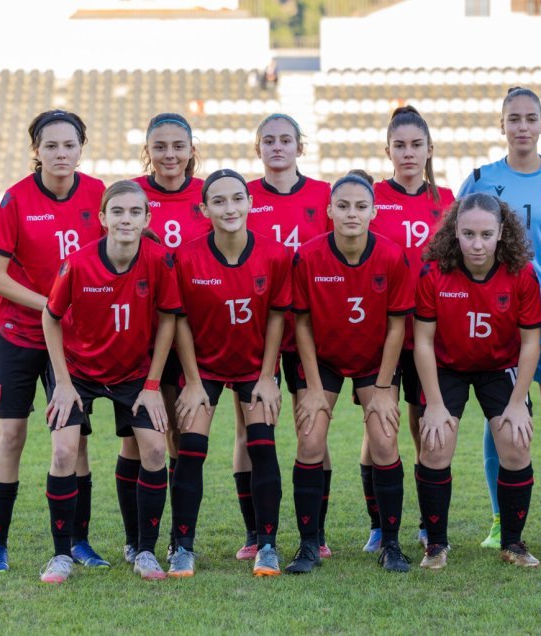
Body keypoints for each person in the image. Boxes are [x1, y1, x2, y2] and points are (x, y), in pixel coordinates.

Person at [457, 87, 541, 550]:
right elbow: (453, 242)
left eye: (529, 118)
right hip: (500, 319)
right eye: (513, 118)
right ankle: (501, 520)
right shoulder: (480, 179)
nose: (521, 126)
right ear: (502, 125)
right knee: (501, 418)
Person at [39, 180, 181, 583]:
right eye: (117, 211)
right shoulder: (78, 262)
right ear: (102, 218)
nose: (126, 219)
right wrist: (63, 384)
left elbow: (169, 318)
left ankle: (145, 551)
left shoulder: (158, 261)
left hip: (133, 373)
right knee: (64, 453)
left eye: (135, 212)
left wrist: (152, 385)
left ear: (147, 219)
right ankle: (62, 555)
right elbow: (51, 317)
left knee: (154, 450)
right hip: (77, 371)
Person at [0, 109, 107, 574]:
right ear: (36, 150)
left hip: (72, 343)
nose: (60, 153)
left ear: (81, 147)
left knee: (73, 444)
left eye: (69, 145)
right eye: (50, 145)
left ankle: (79, 541)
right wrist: (52, 303)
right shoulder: (15, 198)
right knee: (11, 436)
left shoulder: (97, 194)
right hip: (16, 335)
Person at [287, 172, 414, 574]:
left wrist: (380, 388)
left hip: (374, 360)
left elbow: (397, 326)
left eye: (361, 206)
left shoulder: (392, 256)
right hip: (322, 357)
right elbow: (302, 323)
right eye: (342, 206)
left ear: (374, 212)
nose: (352, 213)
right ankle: (310, 545)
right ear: (329, 211)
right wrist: (310, 387)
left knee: (383, 438)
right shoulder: (307, 256)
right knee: (309, 439)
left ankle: (391, 544)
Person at [168, 169, 290, 577]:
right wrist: (193, 382)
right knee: (190, 450)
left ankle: (267, 545)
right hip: (204, 367)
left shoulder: (274, 254)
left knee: (262, 444)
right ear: (204, 209)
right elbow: (180, 320)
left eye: (237, 198)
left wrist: (268, 375)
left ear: (250, 203)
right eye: (218, 201)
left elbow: (277, 316)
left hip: (254, 367)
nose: (230, 207)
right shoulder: (186, 256)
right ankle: (181, 546)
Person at [414, 193, 541, 570]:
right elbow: (422, 340)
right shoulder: (434, 271)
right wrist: (434, 405)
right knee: (435, 445)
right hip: (447, 366)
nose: (477, 243)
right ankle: (435, 545)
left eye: (486, 234)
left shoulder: (522, 273)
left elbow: (531, 342)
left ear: (501, 232)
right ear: (455, 231)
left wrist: (518, 403)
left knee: (516, 442)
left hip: (500, 368)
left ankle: (513, 544)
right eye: (468, 233)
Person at [237, 113, 333, 560]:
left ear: (300, 146)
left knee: (313, 430)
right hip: (256, 332)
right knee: (249, 432)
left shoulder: (324, 196)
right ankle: (256, 533)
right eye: (269, 141)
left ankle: (318, 532)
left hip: (308, 332)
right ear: (258, 149)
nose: (278, 147)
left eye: (286, 140)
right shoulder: (244, 197)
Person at [362, 105, 455, 552]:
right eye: (399, 145)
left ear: (430, 149)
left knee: (423, 427)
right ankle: (380, 525)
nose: (408, 153)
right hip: (382, 332)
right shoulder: (371, 197)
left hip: (428, 332)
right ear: (388, 150)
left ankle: (425, 522)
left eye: (416, 145)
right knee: (378, 426)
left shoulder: (447, 200)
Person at [116, 113, 207, 564]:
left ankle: (179, 541)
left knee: (181, 439)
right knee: (137, 440)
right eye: (160, 146)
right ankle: (136, 541)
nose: (169, 155)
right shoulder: (130, 194)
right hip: (140, 337)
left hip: (192, 334)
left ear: (192, 149)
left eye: (178, 145)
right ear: (147, 150)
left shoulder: (207, 195)